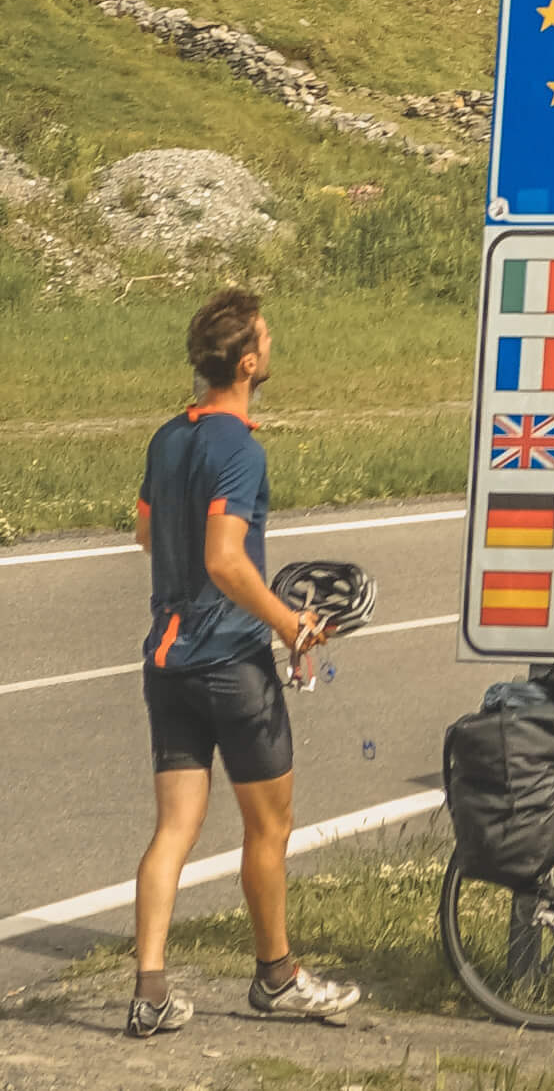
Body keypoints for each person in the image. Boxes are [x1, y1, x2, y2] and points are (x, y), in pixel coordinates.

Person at [129, 289, 361, 1038]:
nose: (273, 342)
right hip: (232, 664)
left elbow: (146, 535)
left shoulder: (168, 438)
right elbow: (226, 560)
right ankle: (276, 977)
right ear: (250, 363)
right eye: (267, 336)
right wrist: (292, 624)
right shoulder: (239, 449)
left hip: (167, 662)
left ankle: (150, 992)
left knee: (174, 829)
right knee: (269, 826)